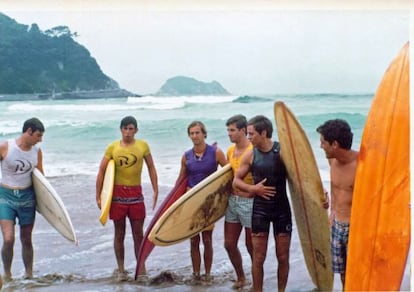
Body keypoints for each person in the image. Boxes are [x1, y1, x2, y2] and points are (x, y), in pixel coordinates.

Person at [233, 115, 292, 292]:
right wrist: (253, 190)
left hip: (282, 210)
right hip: (260, 210)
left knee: (282, 257)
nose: (249, 138)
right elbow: (236, 180)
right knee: (258, 258)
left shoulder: (281, 151)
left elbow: (301, 178)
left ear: (263, 132)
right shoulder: (251, 154)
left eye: (251, 134)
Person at [96, 116, 158, 281]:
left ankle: (141, 267)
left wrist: (155, 189)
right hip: (117, 195)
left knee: (139, 234)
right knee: (119, 234)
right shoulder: (112, 147)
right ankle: (121, 268)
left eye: (131, 129)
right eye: (125, 128)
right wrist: (99, 195)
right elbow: (102, 171)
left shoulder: (142, 145)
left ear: (136, 130)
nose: (128, 132)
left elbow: (151, 167)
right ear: (120, 129)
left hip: (136, 194)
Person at [175, 120, 227, 283]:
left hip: (209, 200)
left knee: (207, 238)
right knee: (193, 239)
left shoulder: (216, 152)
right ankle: (196, 274)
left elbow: (228, 174)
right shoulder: (186, 156)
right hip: (191, 198)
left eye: (197, 132)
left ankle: (208, 273)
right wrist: (175, 203)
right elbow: (181, 179)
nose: (195, 136)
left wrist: (225, 198)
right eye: (192, 133)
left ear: (204, 134)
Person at [0, 118, 45, 281]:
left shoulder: (36, 152)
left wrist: (45, 205)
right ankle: (7, 274)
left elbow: (41, 179)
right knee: (8, 238)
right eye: (38, 136)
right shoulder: (5, 147)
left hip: (27, 197)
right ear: (29, 131)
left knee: (26, 238)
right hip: (5, 196)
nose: (40, 140)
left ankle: (29, 275)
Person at [316, 119, 358, 288]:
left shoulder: (362, 165)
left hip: (355, 229)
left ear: (334, 144)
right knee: (343, 275)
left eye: (323, 142)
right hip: (336, 226)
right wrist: (331, 208)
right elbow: (335, 188)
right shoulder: (332, 161)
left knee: (357, 274)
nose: (320, 146)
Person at [224, 114, 254, 289]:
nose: (229, 134)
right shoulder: (229, 151)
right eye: (228, 130)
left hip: (249, 203)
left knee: (251, 246)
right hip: (232, 202)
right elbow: (227, 177)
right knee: (229, 244)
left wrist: (252, 194)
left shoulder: (253, 150)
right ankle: (241, 277)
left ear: (243, 131)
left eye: (232, 130)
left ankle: (256, 278)